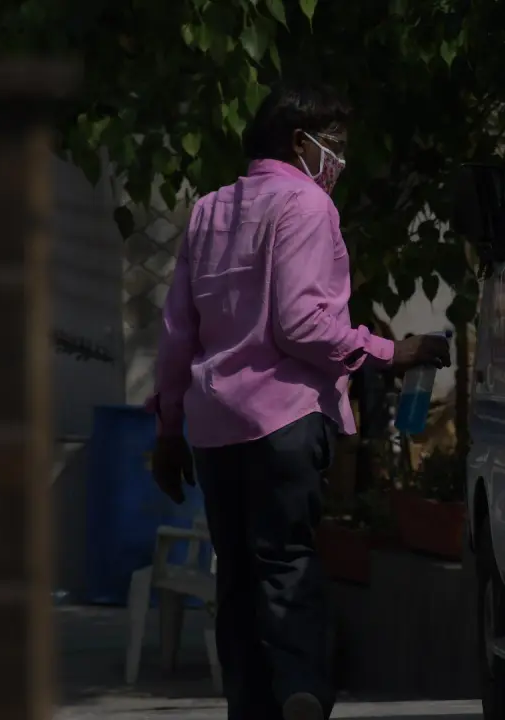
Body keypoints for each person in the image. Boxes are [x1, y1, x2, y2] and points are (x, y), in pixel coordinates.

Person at [146, 83, 451, 720]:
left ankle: (252, 705)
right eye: (333, 144)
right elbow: (303, 325)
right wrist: (393, 351)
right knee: (285, 563)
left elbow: (178, 333)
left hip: (214, 429)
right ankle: (301, 691)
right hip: (282, 420)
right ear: (298, 142)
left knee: (236, 578)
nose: (340, 158)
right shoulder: (307, 205)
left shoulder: (208, 210)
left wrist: (169, 429)